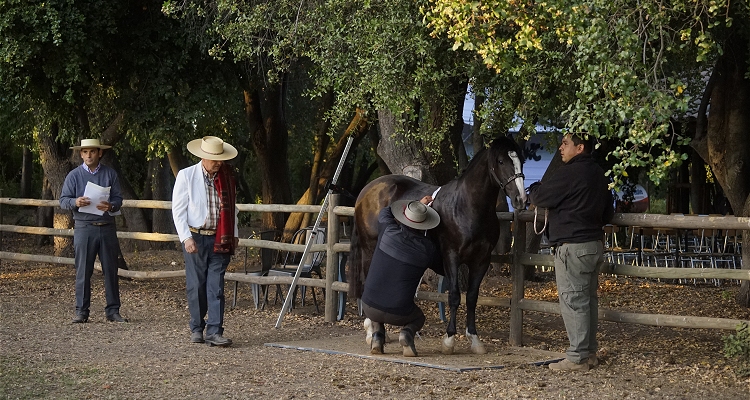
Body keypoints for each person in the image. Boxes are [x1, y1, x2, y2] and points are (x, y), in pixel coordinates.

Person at [527, 133, 614, 371]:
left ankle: (576, 357)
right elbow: (608, 213)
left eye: (565, 144)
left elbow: (541, 197)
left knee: (573, 301)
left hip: (573, 247)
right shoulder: (600, 174)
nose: (560, 148)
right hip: (593, 245)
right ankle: (589, 353)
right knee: (588, 301)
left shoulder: (569, 172)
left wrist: (534, 188)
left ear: (580, 148)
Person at [172, 136, 239, 347]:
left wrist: (234, 233)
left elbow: (232, 209)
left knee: (216, 286)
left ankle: (215, 331)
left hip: (220, 237)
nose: (217, 162)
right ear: (202, 157)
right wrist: (186, 237)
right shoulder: (187, 176)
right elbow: (178, 210)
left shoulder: (227, 178)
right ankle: (196, 327)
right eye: (213, 158)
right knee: (197, 285)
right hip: (197, 237)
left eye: (220, 158)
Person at [361, 195, 442, 357]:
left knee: (376, 301)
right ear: (426, 224)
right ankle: (407, 333)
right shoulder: (427, 249)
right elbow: (442, 268)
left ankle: (377, 336)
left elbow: (385, 211)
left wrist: (417, 204)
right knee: (418, 318)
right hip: (399, 312)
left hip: (368, 305)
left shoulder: (388, 230)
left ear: (404, 217)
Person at [60, 138, 127, 324]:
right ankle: (81, 311)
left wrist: (111, 206)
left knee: (111, 270)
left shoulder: (110, 174)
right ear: (81, 154)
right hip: (84, 228)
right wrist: (75, 202)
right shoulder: (73, 176)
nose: (88, 155)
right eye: (85, 152)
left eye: (92, 152)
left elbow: (118, 199)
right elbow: (63, 200)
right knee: (83, 271)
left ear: (100, 153)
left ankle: (113, 311)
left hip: (107, 228)